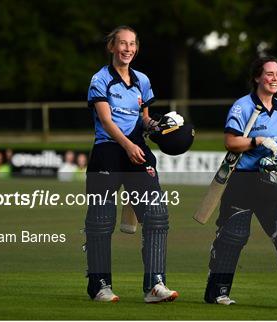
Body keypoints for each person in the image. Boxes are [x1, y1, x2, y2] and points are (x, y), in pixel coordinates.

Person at [203, 56, 277, 309]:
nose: (275, 78)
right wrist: (257, 141)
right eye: (269, 74)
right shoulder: (243, 106)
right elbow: (231, 142)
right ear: (257, 77)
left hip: (273, 181)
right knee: (234, 236)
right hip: (242, 181)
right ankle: (217, 291)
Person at [83, 25, 180, 303]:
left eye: (132, 44)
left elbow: (143, 119)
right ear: (112, 47)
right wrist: (128, 145)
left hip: (138, 152)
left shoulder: (142, 81)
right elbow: (106, 120)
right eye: (122, 44)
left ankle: (155, 285)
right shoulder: (100, 79)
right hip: (108, 153)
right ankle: (100, 285)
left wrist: (159, 126)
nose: (128, 49)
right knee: (101, 221)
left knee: (157, 216)